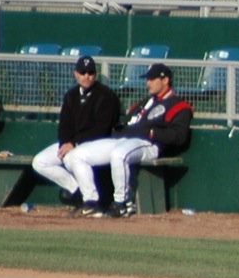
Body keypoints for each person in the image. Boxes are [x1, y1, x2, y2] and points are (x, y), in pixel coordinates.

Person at [65, 63, 192, 219]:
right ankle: (91, 202)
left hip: (149, 144)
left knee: (119, 154)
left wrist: (152, 132)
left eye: (152, 79)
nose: (148, 83)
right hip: (124, 140)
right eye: (148, 79)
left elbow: (179, 136)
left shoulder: (178, 105)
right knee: (75, 155)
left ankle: (121, 204)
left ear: (165, 80)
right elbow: (126, 124)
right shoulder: (144, 102)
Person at [31, 55, 122, 212]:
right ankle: (76, 189)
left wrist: (74, 143)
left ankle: (91, 200)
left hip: (95, 144)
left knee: (74, 157)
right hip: (72, 143)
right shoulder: (71, 95)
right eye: (83, 72)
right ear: (76, 74)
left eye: (90, 72)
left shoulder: (106, 96)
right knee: (39, 162)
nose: (86, 76)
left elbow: (101, 129)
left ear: (96, 74)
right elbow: (64, 125)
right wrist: (66, 142)